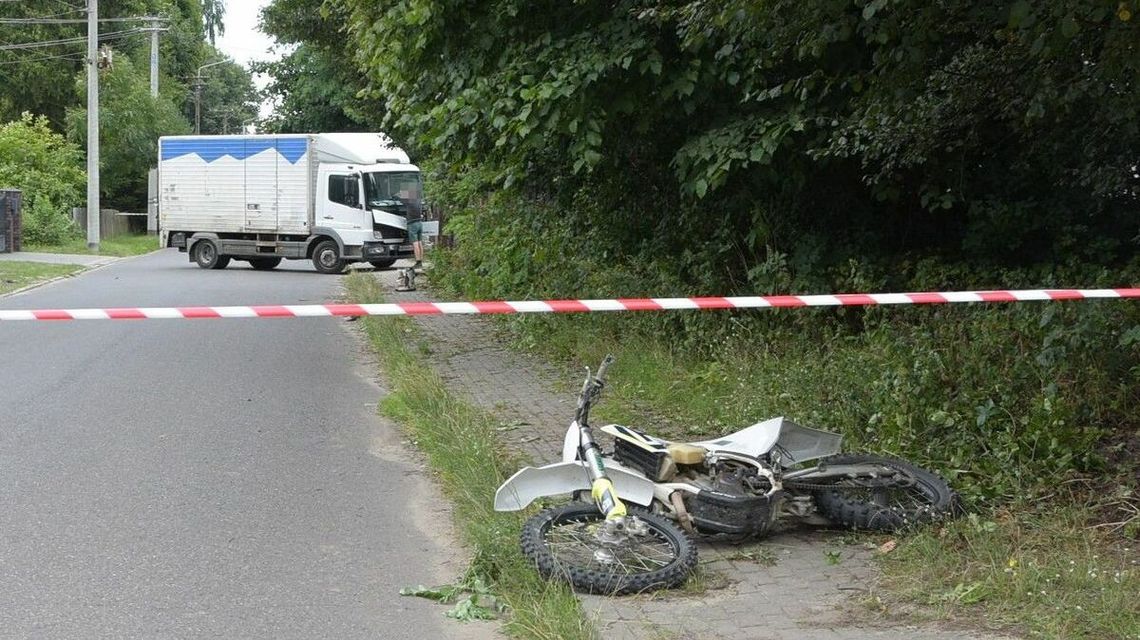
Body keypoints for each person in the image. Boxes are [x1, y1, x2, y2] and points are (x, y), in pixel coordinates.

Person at [401, 183, 425, 269]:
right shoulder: (418, 199)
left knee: (415, 244)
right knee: (420, 243)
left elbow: (400, 199)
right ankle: (421, 261)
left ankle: (418, 262)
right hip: (419, 223)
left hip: (412, 223)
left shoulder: (409, 200)